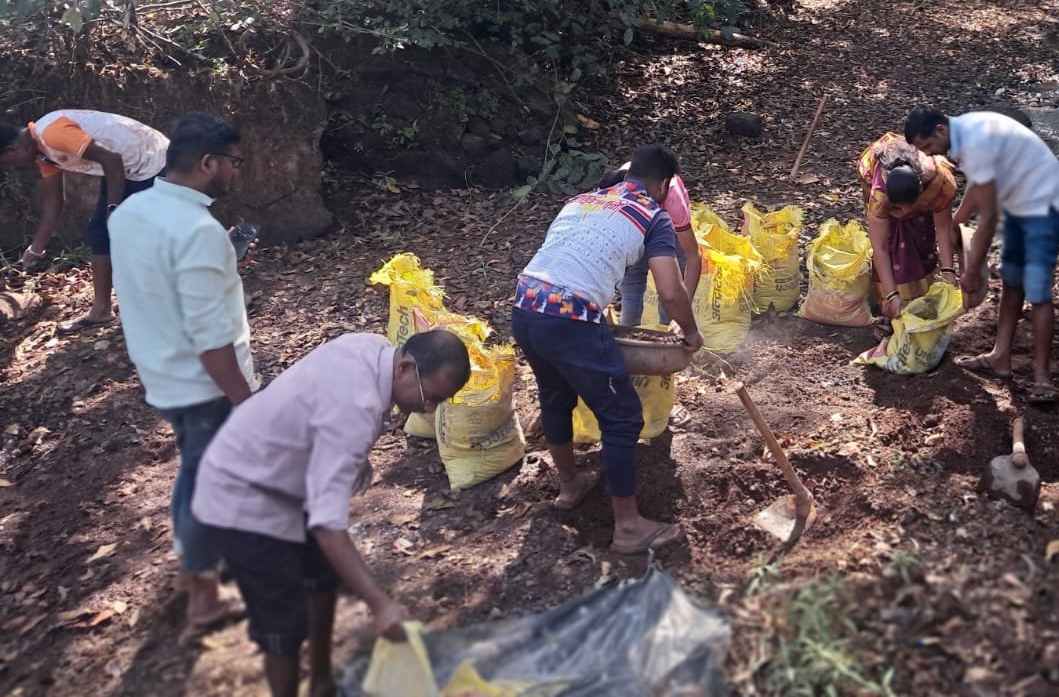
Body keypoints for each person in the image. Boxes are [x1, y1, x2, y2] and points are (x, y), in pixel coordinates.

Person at [192, 329, 471, 697]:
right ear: (404, 367)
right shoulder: (356, 409)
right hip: (240, 494)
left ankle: (322, 683)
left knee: (322, 576)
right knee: (283, 626)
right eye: (430, 396)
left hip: (285, 472)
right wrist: (380, 604)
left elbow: (321, 403)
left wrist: (350, 455)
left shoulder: (372, 348)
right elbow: (327, 524)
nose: (430, 408)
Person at [512, 144, 702, 554]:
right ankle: (629, 528)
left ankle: (569, 487)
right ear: (665, 185)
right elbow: (671, 292)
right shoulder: (654, 216)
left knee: (555, 395)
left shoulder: (581, 200)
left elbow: (567, 260)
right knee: (621, 417)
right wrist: (690, 331)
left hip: (526, 304)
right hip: (570, 316)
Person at [106, 111, 255, 629]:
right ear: (209, 163)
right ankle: (201, 589)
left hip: (158, 369)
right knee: (202, 478)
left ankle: (207, 565)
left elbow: (156, 285)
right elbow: (211, 340)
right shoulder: (198, 230)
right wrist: (246, 399)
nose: (237, 172)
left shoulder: (128, 212)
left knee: (200, 469)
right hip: (203, 383)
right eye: (233, 162)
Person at [905, 108, 1059, 406]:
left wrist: (970, 271)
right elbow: (980, 185)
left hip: (1044, 203)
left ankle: (1042, 378)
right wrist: (956, 220)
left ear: (941, 131)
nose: (930, 154)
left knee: (1037, 292)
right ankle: (1000, 357)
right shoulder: (964, 134)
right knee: (1012, 281)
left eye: (928, 146)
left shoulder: (974, 141)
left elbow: (987, 220)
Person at [0, 109, 170, 330]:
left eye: (7, 163)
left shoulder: (51, 133)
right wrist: (36, 248)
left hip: (151, 162)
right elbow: (54, 203)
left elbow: (111, 158)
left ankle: (160, 301)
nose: (11, 169)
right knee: (99, 233)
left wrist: (114, 209)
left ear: (13, 150)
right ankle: (101, 311)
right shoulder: (43, 154)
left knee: (137, 235)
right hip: (124, 170)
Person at [856, 132, 958, 319]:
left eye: (909, 207)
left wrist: (948, 271)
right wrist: (892, 295)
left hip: (919, 186)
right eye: (898, 207)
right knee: (893, 243)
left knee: (921, 237)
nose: (904, 212)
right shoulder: (879, 196)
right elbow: (879, 248)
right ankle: (886, 304)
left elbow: (942, 228)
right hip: (881, 181)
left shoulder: (938, 182)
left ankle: (922, 291)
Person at [598, 161, 702, 327]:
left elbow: (692, 257)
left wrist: (682, 317)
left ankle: (668, 333)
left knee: (670, 288)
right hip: (633, 230)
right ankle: (629, 335)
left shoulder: (672, 199)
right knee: (632, 287)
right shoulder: (606, 199)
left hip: (670, 229)